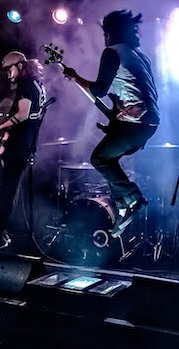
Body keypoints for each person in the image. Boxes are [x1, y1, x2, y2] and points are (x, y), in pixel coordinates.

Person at [63, 9, 158, 233]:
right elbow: (137, 92)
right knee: (109, 159)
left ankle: (132, 197)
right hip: (148, 123)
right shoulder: (139, 55)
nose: (104, 38)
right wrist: (115, 124)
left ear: (111, 33)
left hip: (137, 124)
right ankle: (124, 204)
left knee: (99, 158)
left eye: (105, 33)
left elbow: (99, 90)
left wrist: (76, 77)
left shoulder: (112, 53)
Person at [0, 51, 47, 251]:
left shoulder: (26, 85)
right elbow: (22, 123)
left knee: (6, 191)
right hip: (22, 145)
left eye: (10, 69)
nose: (8, 73)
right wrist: (2, 141)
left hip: (20, 147)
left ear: (21, 66)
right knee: (6, 190)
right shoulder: (36, 86)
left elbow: (22, 115)